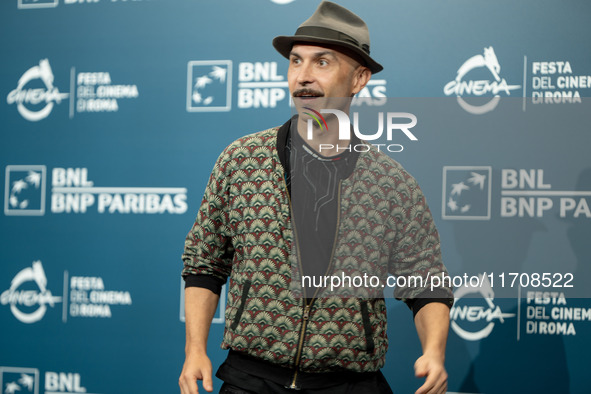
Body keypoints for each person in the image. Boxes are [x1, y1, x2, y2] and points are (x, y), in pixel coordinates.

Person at [179, 2, 453, 393]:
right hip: (250, 379)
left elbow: (426, 283)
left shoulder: (393, 184)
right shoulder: (241, 160)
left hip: (349, 384)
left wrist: (434, 351)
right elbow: (205, 261)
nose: (303, 77)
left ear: (359, 79)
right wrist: (194, 350)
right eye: (295, 62)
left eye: (321, 63)